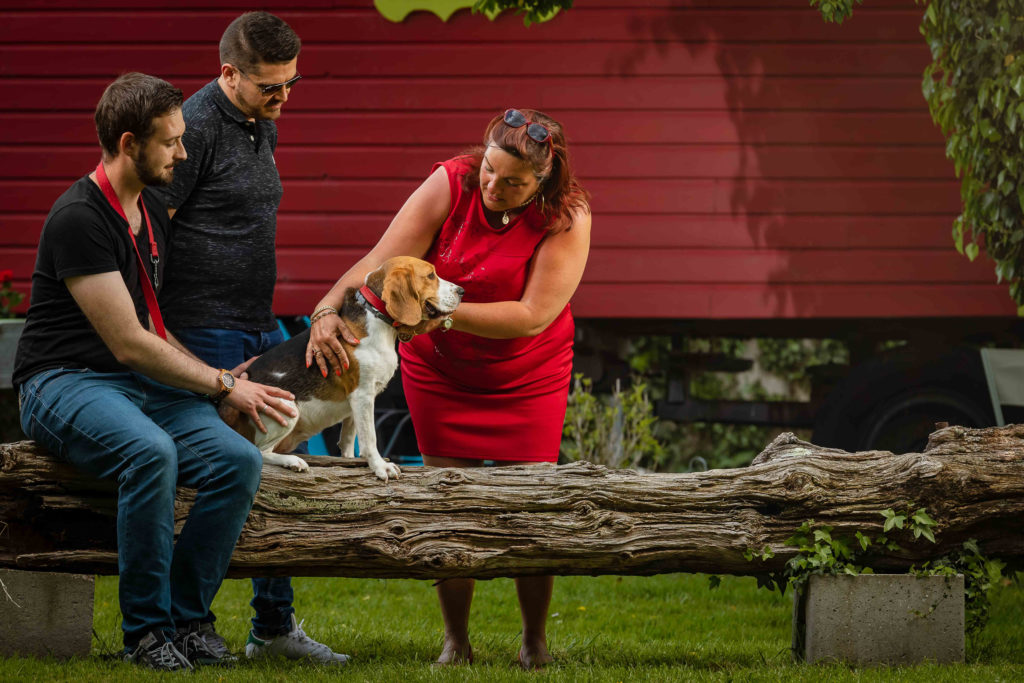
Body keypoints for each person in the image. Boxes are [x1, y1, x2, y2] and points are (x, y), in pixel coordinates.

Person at [12, 72, 298, 671]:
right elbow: (128, 343)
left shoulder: (152, 214)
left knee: (238, 460)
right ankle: (145, 632)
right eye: (170, 142)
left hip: (134, 384)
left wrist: (217, 378)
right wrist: (222, 384)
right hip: (62, 382)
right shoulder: (80, 219)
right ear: (127, 143)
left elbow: (155, 332)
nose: (183, 153)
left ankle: (189, 620)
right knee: (150, 454)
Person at [306, 108, 592, 669]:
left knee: (531, 504)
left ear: (543, 180)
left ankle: (534, 642)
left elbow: (534, 314)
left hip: (529, 373)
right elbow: (379, 263)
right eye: (489, 170)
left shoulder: (568, 214)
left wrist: (437, 318)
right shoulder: (451, 182)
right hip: (440, 370)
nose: (493, 187)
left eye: (513, 182)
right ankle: (455, 641)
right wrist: (324, 308)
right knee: (447, 499)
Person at [152, 11, 351, 664]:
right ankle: (187, 622)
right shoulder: (195, 129)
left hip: (258, 323)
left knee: (291, 462)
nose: (284, 98)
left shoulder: (258, 121)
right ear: (228, 74)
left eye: (292, 84)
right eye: (272, 86)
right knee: (225, 472)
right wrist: (170, 344)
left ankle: (273, 625)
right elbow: (151, 237)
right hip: (202, 333)